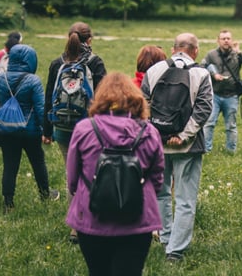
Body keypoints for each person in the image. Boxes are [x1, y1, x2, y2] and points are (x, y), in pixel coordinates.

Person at [66, 72, 164, 276]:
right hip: (137, 218)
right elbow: (157, 177)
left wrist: (81, 192)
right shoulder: (149, 131)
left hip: (92, 216)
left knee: (98, 271)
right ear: (136, 99)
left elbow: (73, 177)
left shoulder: (84, 129)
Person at [141, 33, 212, 262]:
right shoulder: (202, 74)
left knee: (161, 193)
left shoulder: (154, 70)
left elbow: (143, 106)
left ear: (173, 49)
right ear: (195, 51)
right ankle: (176, 250)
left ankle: (165, 237)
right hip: (187, 147)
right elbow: (203, 110)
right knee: (185, 198)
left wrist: (155, 134)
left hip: (157, 144)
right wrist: (183, 136)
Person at [44, 21, 107, 243]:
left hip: (61, 127)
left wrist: (47, 130)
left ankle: (75, 228)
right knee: (91, 174)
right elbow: (103, 98)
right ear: (89, 40)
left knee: (72, 175)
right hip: (89, 128)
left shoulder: (56, 63)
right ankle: (93, 220)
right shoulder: (95, 62)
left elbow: (48, 97)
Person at [0, 44, 59, 212]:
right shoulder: (33, 80)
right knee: (38, 161)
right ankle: (45, 194)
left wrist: (1, 124)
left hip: (7, 131)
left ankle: (8, 202)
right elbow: (41, 109)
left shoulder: (0, 79)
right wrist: (47, 131)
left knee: (10, 165)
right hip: (30, 132)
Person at [201, 30, 242, 153]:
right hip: (215, 94)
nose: (226, 41)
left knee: (231, 125)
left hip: (231, 95)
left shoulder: (236, 54)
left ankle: (231, 150)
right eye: (223, 38)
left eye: (228, 38)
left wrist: (240, 52)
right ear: (218, 41)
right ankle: (206, 149)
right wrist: (213, 74)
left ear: (232, 40)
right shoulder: (211, 54)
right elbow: (202, 67)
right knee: (209, 123)